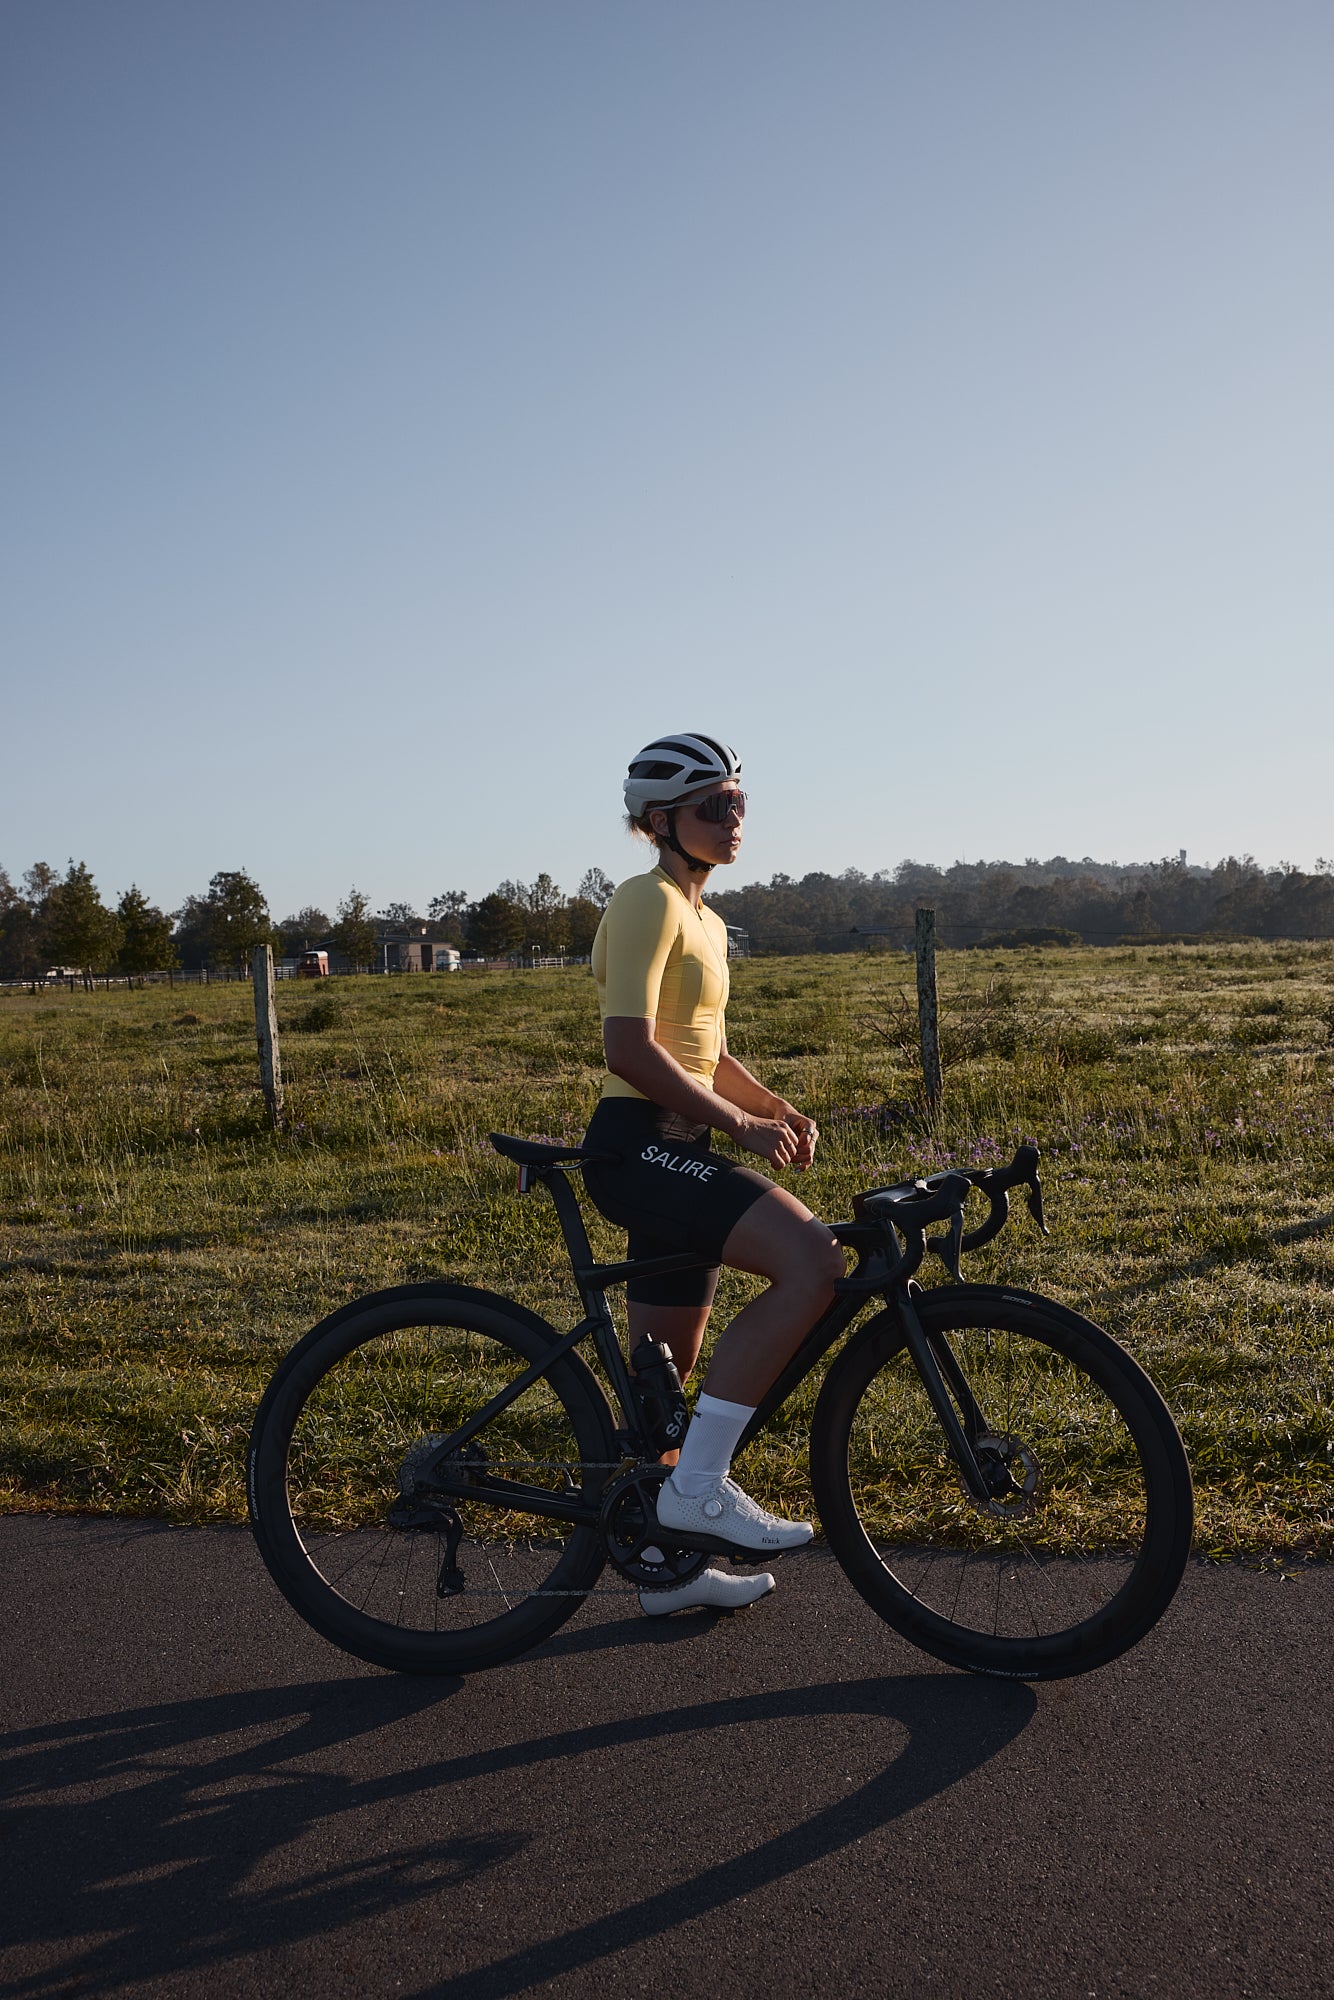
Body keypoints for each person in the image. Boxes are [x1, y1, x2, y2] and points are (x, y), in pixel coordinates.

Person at [582, 733, 846, 1617]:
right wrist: (737, 1125)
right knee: (812, 1260)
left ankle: (668, 1564)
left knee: (664, 1388)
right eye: (713, 805)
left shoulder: (704, 916)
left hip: (675, 1147)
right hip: (638, 1142)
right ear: (661, 821)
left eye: (738, 801)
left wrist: (774, 1106)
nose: (734, 818)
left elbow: (710, 1049)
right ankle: (699, 1493)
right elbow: (631, 1047)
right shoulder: (646, 899)